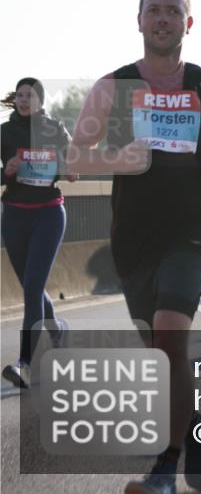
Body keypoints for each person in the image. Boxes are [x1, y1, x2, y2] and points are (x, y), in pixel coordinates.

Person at [69, 0, 201, 494]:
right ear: (139, 20)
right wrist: (114, 160)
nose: (163, 19)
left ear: (188, 24)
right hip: (133, 239)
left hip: (190, 232)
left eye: (173, 11)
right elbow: (76, 156)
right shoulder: (112, 86)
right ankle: (194, 428)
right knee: (163, 355)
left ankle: (165, 466)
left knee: (170, 331)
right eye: (154, 11)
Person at [1, 78, 76, 389]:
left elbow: (72, 164)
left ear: (41, 100)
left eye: (29, 95)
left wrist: (70, 169)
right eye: (19, 95)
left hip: (48, 214)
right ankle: (56, 328)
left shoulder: (55, 129)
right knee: (33, 287)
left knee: (32, 289)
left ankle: (26, 364)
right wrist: (7, 171)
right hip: (15, 216)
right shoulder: (5, 132)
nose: (22, 99)